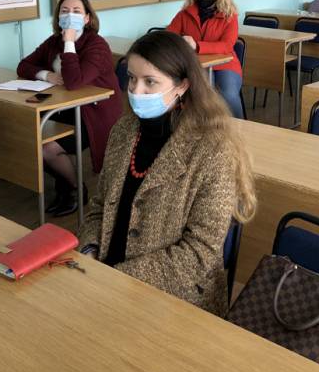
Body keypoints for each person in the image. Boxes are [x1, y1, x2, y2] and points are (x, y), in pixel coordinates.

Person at [78, 30, 256, 316]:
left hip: (176, 299)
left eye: (150, 82)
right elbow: (99, 205)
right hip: (106, 277)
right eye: (132, 78)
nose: (136, 91)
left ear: (182, 85)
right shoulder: (123, 130)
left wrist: (121, 278)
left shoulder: (214, 149)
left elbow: (200, 252)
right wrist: (89, 250)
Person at [17, 0, 123, 216]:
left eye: (76, 11)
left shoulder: (97, 45)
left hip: (93, 113)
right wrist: (47, 75)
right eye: (64, 11)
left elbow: (74, 82)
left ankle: (75, 189)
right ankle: (68, 183)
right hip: (63, 107)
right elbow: (24, 65)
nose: (69, 15)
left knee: (47, 148)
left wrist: (69, 43)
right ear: (58, 17)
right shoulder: (53, 41)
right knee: (26, 137)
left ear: (87, 18)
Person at [167, 0, 243, 119]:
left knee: (228, 94)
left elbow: (227, 45)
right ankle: (202, 128)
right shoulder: (185, 13)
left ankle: (240, 127)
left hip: (226, 65)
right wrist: (180, 40)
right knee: (198, 95)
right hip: (195, 65)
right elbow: (169, 34)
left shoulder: (229, 15)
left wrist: (197, 46)